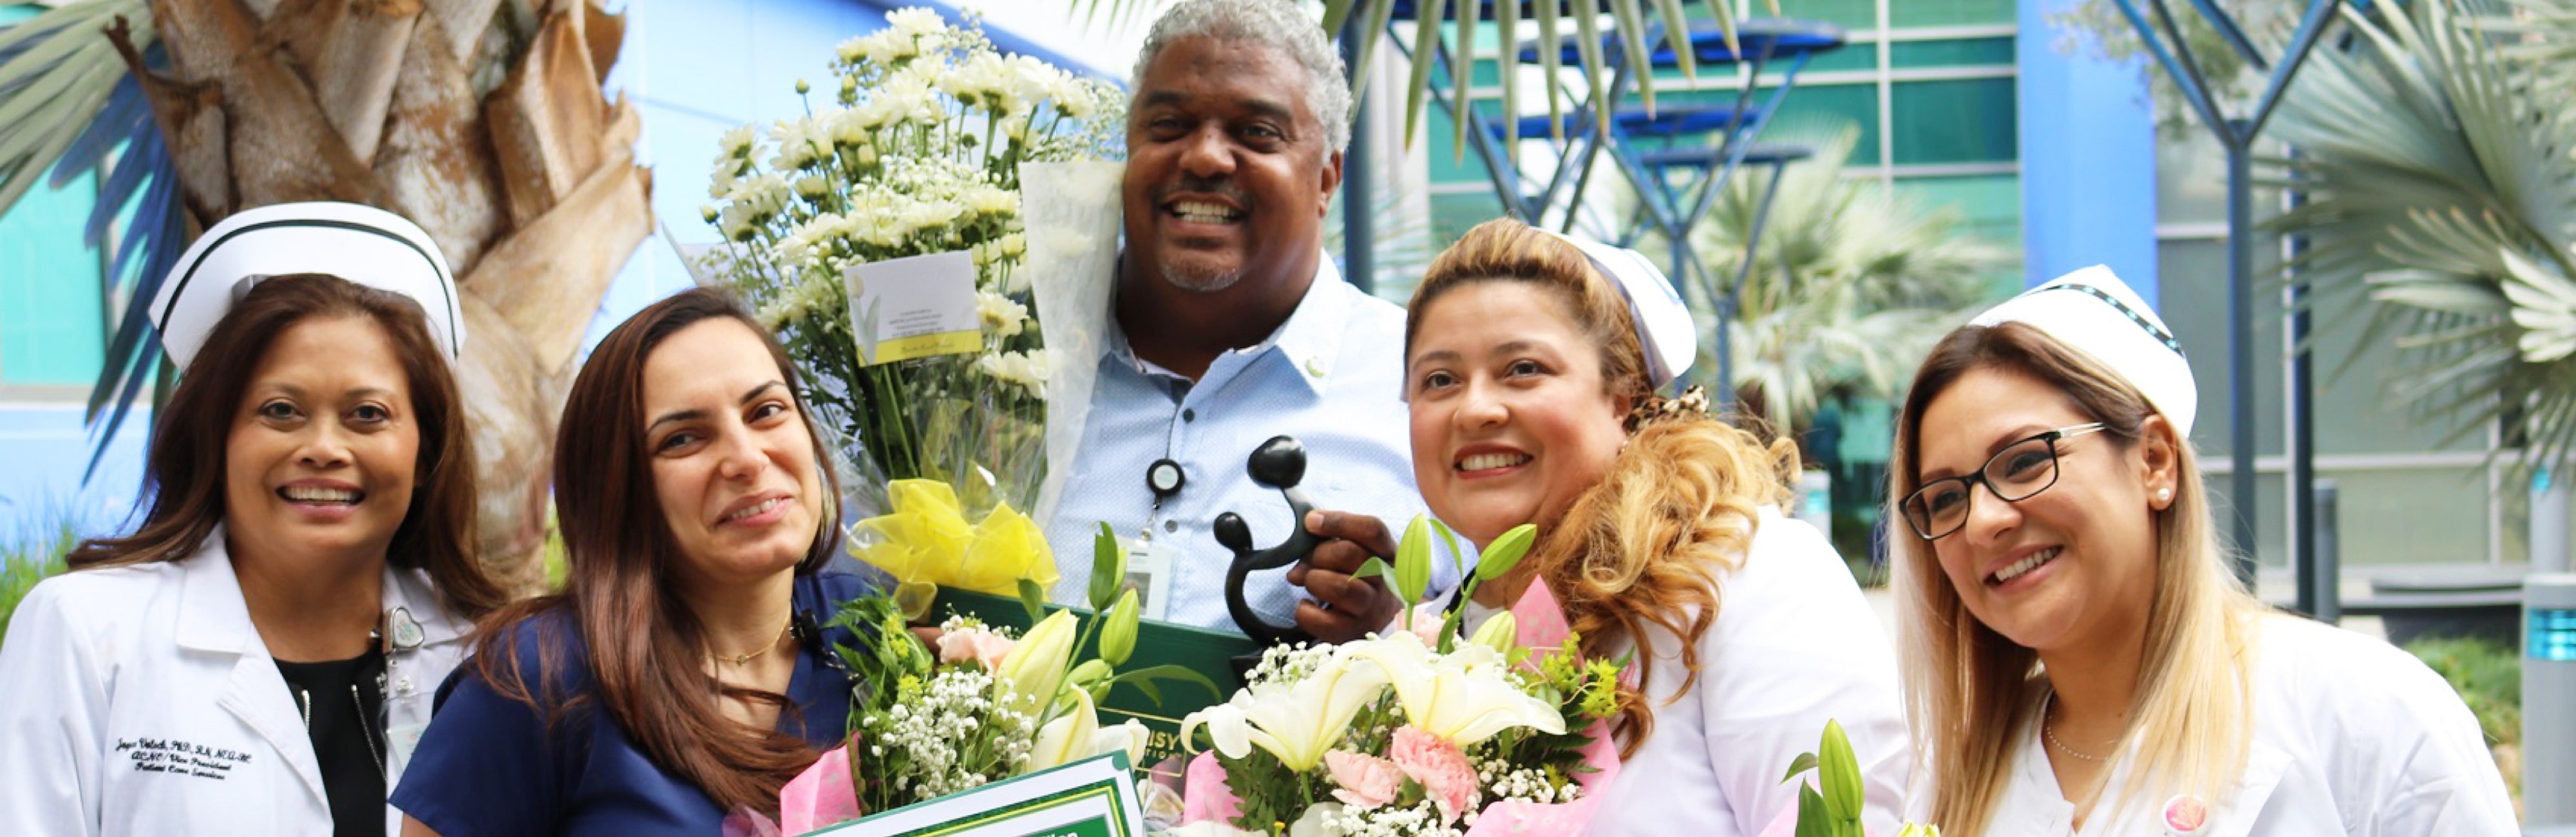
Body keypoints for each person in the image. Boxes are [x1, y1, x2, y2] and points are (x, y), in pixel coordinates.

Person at [1890, 265, 2516, 835]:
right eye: (1944, 499)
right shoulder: (1948, 786)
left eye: (2025, 461)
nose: (1982, 522)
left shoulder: (2364, 715)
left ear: (2155, 461)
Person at [0, 202, 505, 837]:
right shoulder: (87, 633)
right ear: (217, 439)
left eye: (367, 414)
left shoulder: (486, 658)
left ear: (424, 449)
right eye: (281, 410)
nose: (324, 446)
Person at [1401, 218, 1909, 836]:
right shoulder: (1405, 649)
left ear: (1622, 396)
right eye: (1440, 380)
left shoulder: (1739, 580)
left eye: (1523, 369)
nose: (1477, 407)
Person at [391, 289, 867, 836]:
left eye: (766, 411)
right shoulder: (536, 681)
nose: (747, 459)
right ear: (617, 486)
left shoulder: (861, 633)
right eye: (684, 438)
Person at [1040, 0, 1444, 641]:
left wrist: (1402, 633)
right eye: (1168, 125)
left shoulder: (1431, 386)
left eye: (1256, 132)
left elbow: (1509, 633)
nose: (1204, 158)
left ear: (1327, 179)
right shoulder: (1008, 368)